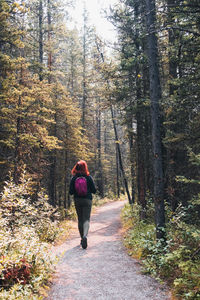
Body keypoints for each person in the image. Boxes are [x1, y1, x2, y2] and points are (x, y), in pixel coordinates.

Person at [69, 160, 96, 249]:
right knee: (86, 219)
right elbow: (94, 191)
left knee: (80, 219)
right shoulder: (88, 178)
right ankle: (85, 236)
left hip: (77, 200)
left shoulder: (74, 178)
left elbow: (71, 192)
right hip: (87, 200)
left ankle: (81, 238)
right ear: (85, 167)